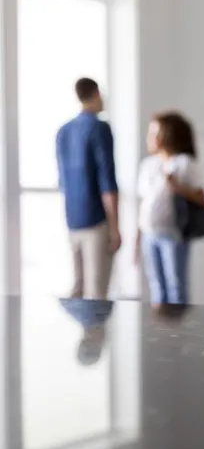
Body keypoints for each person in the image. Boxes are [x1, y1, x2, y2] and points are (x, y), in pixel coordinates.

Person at [56, 77, 120, 299]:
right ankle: (95, 334)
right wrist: (115, 228)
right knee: (96, 294)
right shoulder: (100, 128)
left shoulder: (63, 132)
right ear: (96, 94)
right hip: (96, 220)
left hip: (72, 218)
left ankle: (79, 334)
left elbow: (63, 182)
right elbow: (107, 183)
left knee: (78, 288)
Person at [136, 112, 204, 306]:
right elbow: (142, 204)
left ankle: (179, 333)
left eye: (154, 133)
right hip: (149, 234)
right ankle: (163, 332)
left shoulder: (184, 163)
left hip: (173, 234)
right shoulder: (148, 165)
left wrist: (177, 187)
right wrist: (136, 239)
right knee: (157, 288)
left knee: (176, 288)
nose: (150, 138)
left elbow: (200, 198)